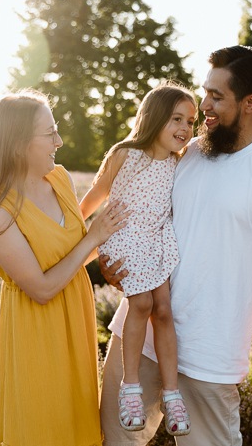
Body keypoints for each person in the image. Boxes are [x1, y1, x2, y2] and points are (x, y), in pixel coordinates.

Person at [99, 45, 252, 446]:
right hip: (140, 336)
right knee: (112, 441)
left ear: (250, 103)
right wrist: (111, 259)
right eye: (205, 91)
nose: (204, 105)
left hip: (210, 353)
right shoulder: (186, 152)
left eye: (217, 96)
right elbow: (136, 210)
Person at [0, 89, 128, 446]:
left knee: (77, 425)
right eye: (49, 133)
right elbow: (41, 288)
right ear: (18, 143)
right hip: (36, 331)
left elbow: (75, 256)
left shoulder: (60, 179)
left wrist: (118, 236)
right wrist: (93, 235)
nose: (60, 141)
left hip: (76, 322)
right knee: (41, 428)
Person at [80, 83, 198, 436]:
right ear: (154, 117)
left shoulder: (179, 164)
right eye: (176, 119)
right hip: (124, 237)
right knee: (143, 304)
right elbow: (91, 200)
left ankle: (171, 393)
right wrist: (71, 237)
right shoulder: (125, 153)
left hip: (155, 241)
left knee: (164, 310)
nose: (184, 128)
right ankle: (130, 387)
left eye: (190, 122)